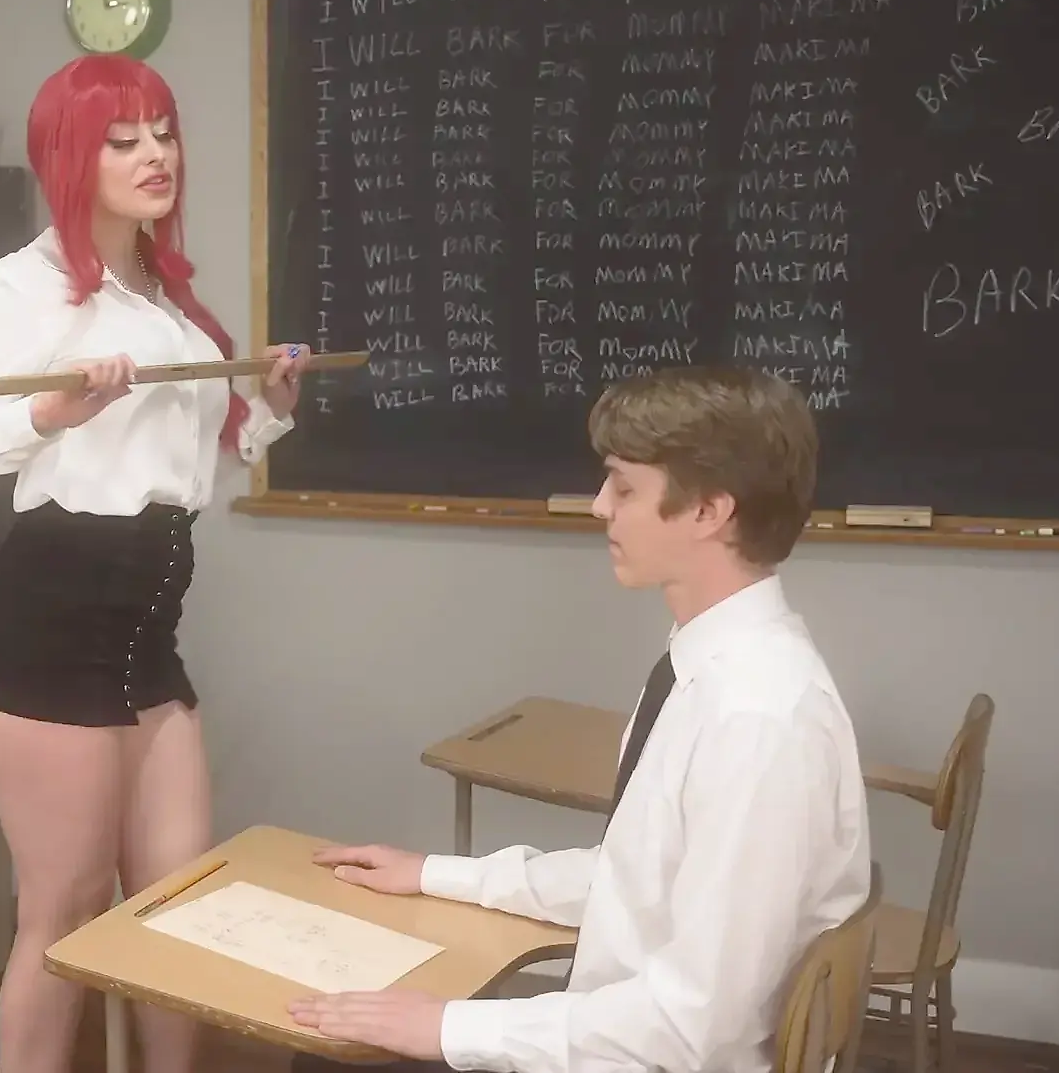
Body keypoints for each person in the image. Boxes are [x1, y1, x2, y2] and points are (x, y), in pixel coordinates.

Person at [287, 366, 872, 1073]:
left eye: (624, 488)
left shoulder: (758, 720)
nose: (599, 507)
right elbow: (635, 880)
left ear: (707, 512)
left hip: (662, 1056)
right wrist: (437, 874)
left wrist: (449, 1027)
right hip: (632, 1036)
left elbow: (697, 1023)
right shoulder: (708, 669)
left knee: (330, 1055)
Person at [0, 54, 306, 1073]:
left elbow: (176, 459)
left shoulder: (165, 296)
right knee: (67, 907)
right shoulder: (22, 289)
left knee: (177, 902)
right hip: (48, 625)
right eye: (122, 139)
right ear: (71, 158)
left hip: (147, 629)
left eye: (163, 132)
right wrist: (49, 411)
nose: (155, 154)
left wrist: (269, 412)